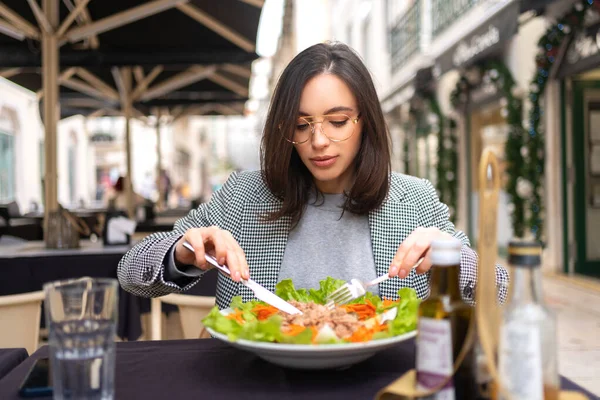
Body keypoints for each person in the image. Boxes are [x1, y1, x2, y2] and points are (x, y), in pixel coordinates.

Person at [118, 42, 508, 309]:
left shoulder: (414, 199)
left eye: (337, 121)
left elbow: (502, 291)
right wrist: (183, 252)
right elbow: (131, 272)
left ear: (365, 121)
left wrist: (457, 262)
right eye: (301, 125)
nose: (318, 141)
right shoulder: (243, 196)